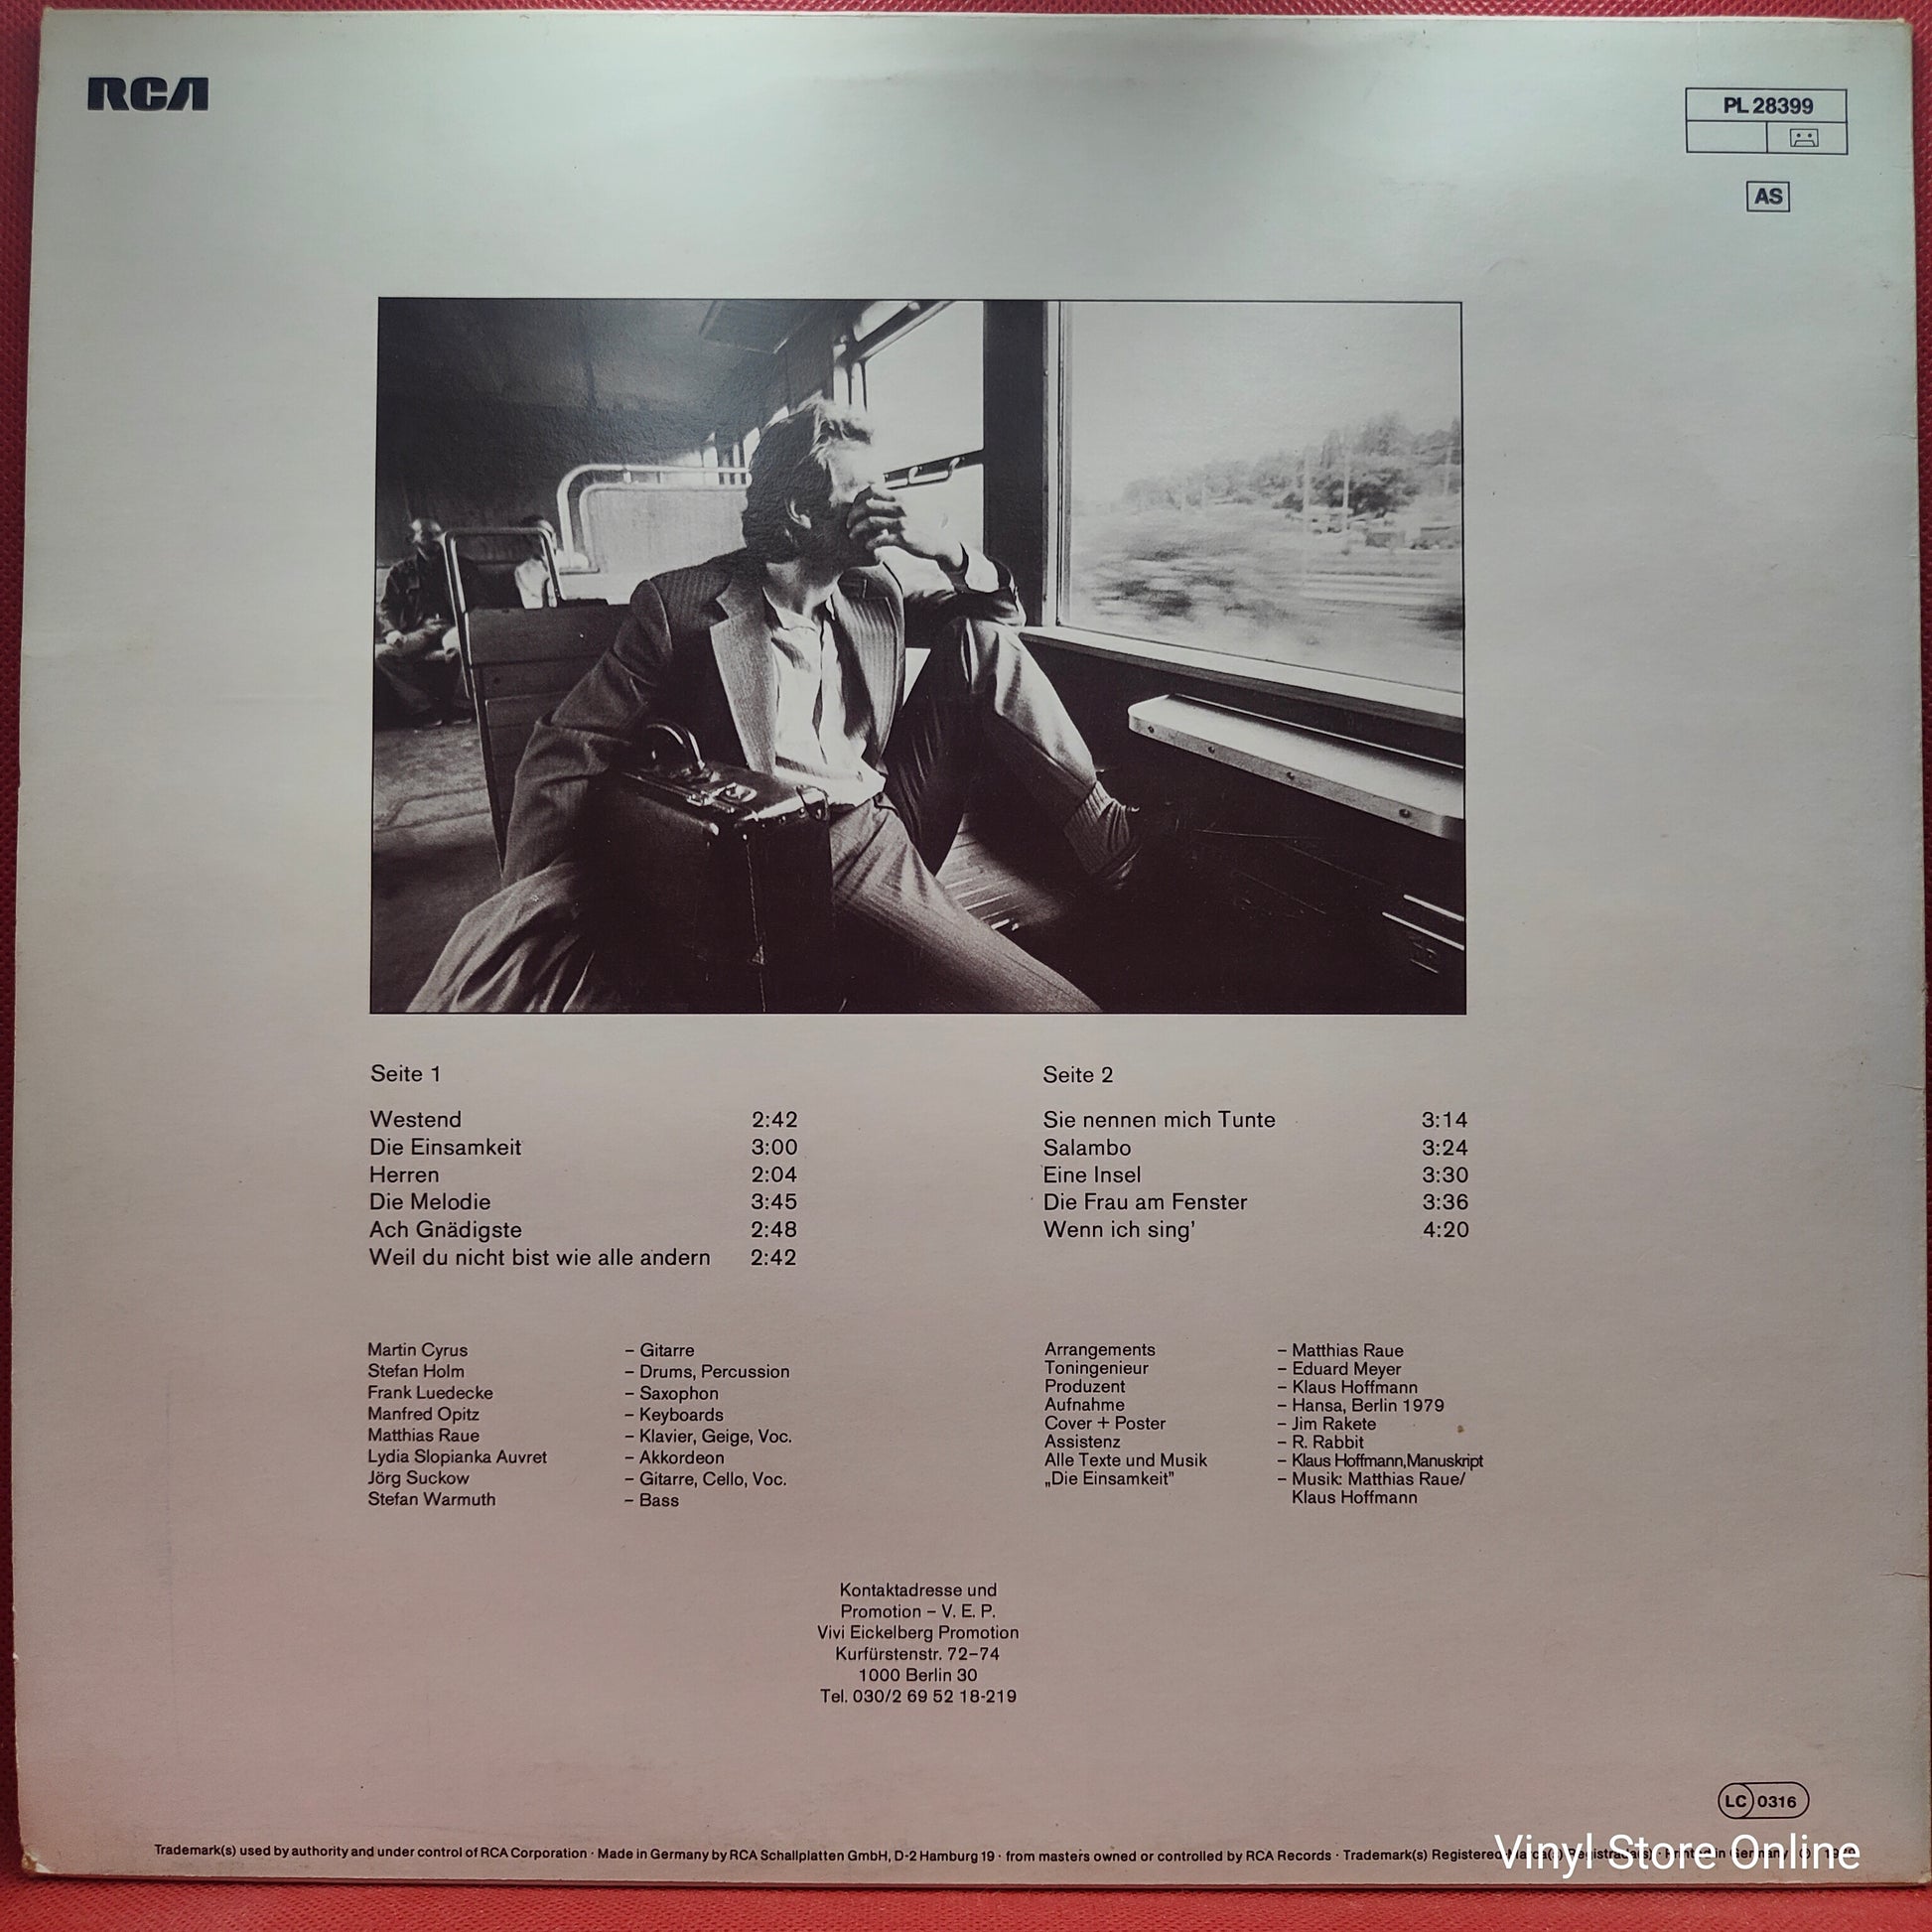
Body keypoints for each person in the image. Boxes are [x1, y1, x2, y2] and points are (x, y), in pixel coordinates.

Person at [411, 400, 1159, 1013]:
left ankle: (1115, 850)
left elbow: (999, 615)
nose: (887, 507)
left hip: (892, 807)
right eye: (864, 493)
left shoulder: (873, 590)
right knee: (1064, 1019)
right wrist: (531, 912)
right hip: (813, 853)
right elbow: (566, 748)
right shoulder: (679, 607)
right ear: (801, 513)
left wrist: (948, 551)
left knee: (978, 641)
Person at [374, 517, 470, 725]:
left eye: (438, 534)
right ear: (412, 540)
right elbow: (386, 607)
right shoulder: (401, 571)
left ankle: (461, 706)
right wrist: (391, 631)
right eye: (427, 535)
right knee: (381, 655)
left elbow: (480, 601)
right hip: (419, 630)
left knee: (466, 647)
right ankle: (424, 708)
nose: (436, 539)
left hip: (454, 627)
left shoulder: (461, 566)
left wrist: (469, 625)